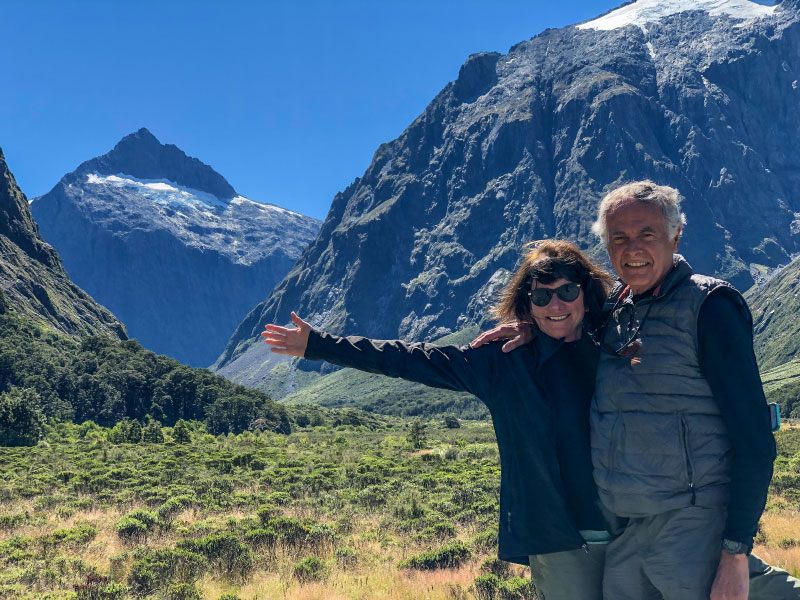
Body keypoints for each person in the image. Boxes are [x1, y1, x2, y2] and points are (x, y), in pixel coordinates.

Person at [474, 181, 799, 600]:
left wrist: (735, 552)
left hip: (692, 523)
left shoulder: (711, 306)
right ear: (606, 246)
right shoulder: (617, 311)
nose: (633, 248)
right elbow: (566, 320)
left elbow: (754, 438)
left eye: (647, 234)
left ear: (675, 235)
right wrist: (533, 323)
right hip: (631, 531)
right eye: (619, 237)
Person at [263, 240, 618, 600]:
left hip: (636, 528)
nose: (555, 305)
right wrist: (318, 344)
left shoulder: (617, 346)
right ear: (527, 303)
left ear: (585, 293)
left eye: (567, 292)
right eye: (542, 297)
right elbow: (413, 359)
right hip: (564, 540)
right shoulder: (506, 361)